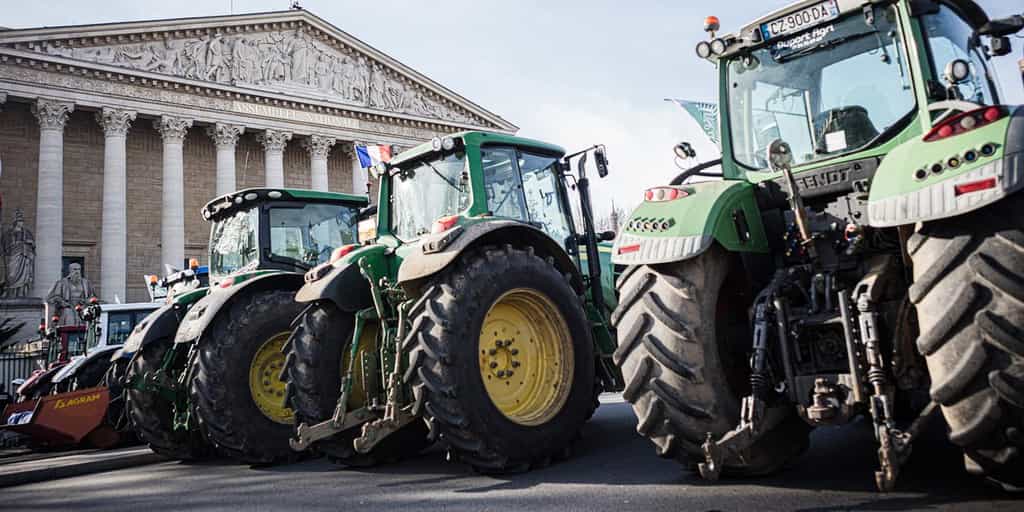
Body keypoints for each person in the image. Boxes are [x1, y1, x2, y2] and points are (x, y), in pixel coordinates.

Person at [2, 208, 35, 298]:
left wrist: (29, 243)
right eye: (19, 221)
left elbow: (32, 244)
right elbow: (6, 246)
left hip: (24, 256)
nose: (21, 223)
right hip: (13, 257)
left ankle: (21, 293)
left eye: (22, 221)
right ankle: (10, 293)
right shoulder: (9, 233)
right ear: (15, 221)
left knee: (24, 276)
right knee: (11, 275)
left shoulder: (27, 232)